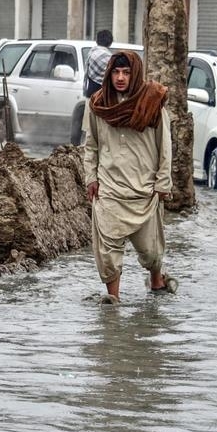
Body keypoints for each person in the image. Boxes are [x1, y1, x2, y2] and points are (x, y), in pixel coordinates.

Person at [83, 50, 174, 303]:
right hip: (109, 190)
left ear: (135, 74)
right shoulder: (98, 105)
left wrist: (162, 182)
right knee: (109, 252)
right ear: (109, 74)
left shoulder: (153, 103)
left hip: (144, 191)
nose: (121, 78)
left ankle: (157, 281)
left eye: (126, 72)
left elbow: (164, 145)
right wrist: (91, 177)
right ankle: (114, 300)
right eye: (116, 72)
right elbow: (90, 145)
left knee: (151, 250)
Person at [82, 29, 114, 98]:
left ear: (96, 41)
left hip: (91, 94)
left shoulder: (91, 53)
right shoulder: (111, 58)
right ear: (110, 43)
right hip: (106, 95)